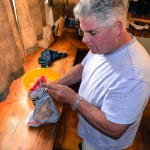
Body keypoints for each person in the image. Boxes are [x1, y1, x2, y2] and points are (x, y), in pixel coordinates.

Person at [42, 0, 150, 149]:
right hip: (89, 130)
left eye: (92, 32)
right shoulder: (106, 44)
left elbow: (114, 129)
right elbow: (83, 67)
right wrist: (57, 83)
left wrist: (73, 98)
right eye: (83, 31)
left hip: (102, 145)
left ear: (117, 27)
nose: (85, 39)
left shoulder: (133, 74)